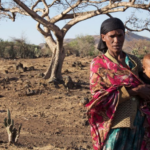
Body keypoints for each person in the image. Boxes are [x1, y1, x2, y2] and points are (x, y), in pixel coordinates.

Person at [85, 18, 150, 150]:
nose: (116, 40)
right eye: (112, 36)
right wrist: (135, 91)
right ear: (103, 37)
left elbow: (144, 82)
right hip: (116, 124)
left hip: (139, 123)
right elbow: (99, 99)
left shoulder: (134, 61)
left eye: (120, 35)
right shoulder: (99, 64)